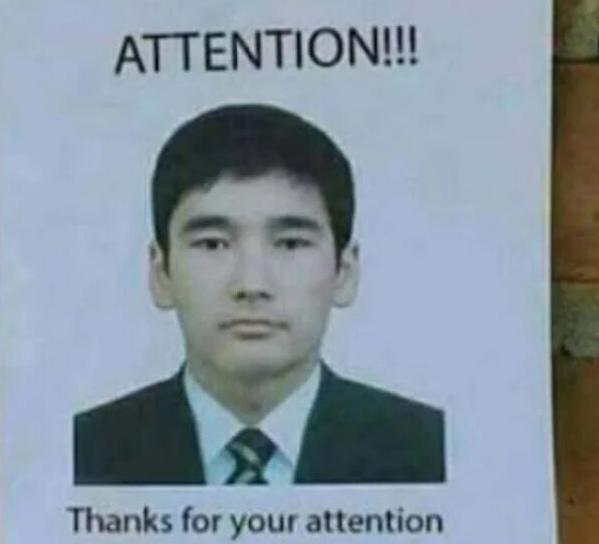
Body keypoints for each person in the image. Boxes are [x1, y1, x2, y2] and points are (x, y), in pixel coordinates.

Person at [74, 104, 445, 485]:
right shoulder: (81, 453)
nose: (252, 285)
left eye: (290, 243)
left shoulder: (431, 452)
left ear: (344, 271)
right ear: (160, 272)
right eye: (213, 244)